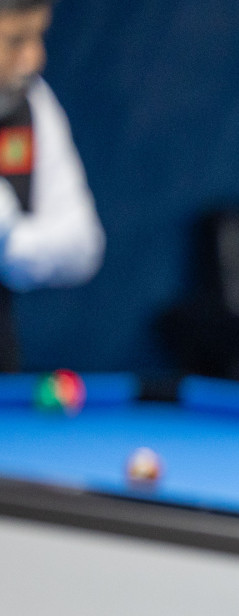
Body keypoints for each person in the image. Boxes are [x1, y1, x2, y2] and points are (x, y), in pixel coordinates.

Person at [0, 0, 103, 372]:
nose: (34, 59)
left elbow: (84, 245)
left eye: (38, 37)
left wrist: (9, 238)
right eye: (15, 40)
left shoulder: (33, 104)